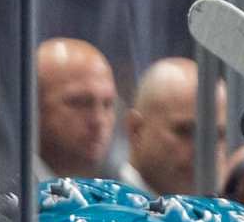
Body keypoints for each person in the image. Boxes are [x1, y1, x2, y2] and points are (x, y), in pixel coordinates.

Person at [121, 58, 227, 197]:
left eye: (217, 135)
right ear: (136, 130)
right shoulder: (96, 211)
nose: (204, 151)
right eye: (186, 131)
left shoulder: (225, 214)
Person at [36, 39, 118, 180]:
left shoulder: (120, 195)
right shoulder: (2, 194)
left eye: (107, 104)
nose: (98, 120)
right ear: (35, 106)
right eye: (80, 103)